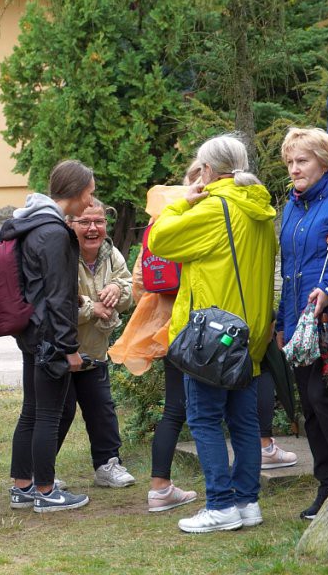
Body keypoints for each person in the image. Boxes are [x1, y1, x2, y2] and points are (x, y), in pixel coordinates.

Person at [149, 134, 277, 533]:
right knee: (244, 422)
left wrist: (180, 203)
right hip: (249, 333)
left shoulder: (215, 208)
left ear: (206, 170)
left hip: (213, 337)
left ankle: (220, 505)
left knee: (204, 419)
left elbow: (160, 240)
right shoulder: (258, 208)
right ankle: (247, 502)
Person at [5, 159, 95, 513]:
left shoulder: (32, 222)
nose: (91, 200)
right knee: (48, 415)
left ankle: (22, 486)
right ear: (75, 191)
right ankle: (45, 490)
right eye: (89, 192)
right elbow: (58, 296)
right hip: (50, 337)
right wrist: (68, 347)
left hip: (31, 331)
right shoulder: (54, 232)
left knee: (31, 411)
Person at [276, 127, 328, 520]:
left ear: (325, 162)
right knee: (309, 408)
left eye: (302, 160)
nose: (294, 169)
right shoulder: (292, 206)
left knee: (323, 398)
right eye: (290, 162)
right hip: (299, 324)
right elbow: (289, 269)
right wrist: (282, 320)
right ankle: (327, 486)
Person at [57, 199, 135, 488]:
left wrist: (117, 288)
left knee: (102, 411)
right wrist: (93, 308)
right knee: (57, 414)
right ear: (70, 224)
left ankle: (108, 465)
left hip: (95, 351)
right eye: (85, 222)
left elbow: (129, 290)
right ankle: (40, 473)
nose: (93, 229)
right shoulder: (62, 252)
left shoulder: (110, 253)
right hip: (62, 351)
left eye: (99, 222)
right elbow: (57, 303)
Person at [139, 161, 203, 513]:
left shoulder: (161, 220)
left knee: (175, 409)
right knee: (227, 404)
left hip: (171, 327)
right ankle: (261, 454)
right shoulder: (207, 217)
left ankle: (159, 486)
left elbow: (140, 279)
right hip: (208, 325)